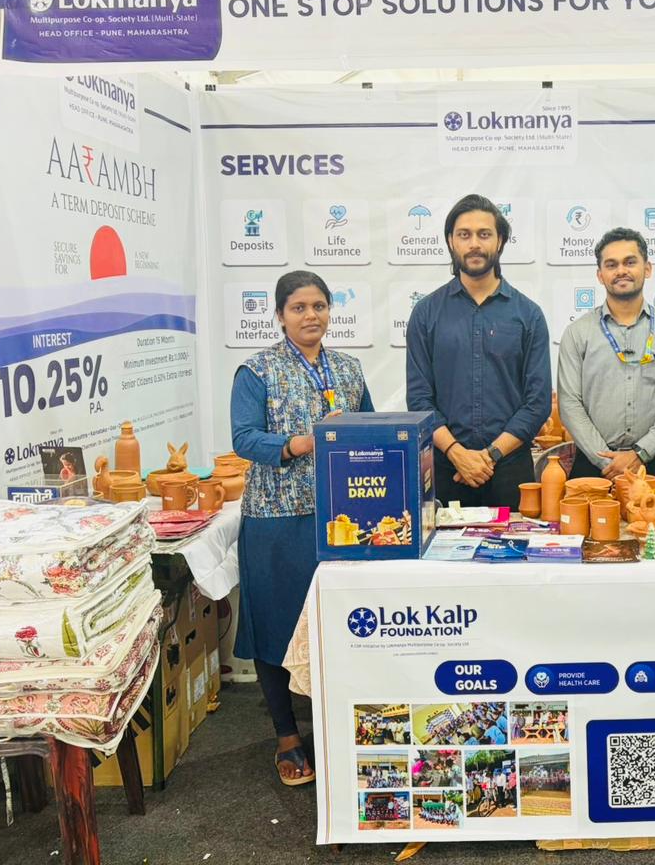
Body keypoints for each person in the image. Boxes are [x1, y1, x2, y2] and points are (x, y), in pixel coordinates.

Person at [231, 269, 373, 786]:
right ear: (279, 315)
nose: (310, 315)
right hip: (276, 519)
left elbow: (370, 429)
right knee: (278, 624)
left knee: (340, 624)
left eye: (319, 306)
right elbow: (244, 438)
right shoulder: (256, 370)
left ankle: (339, 727)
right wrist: (298, 444)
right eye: (298, 307)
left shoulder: (349, 368)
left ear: (330, 311)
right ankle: (287, 736)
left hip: (343, 519)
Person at [407, 194, 551, 506]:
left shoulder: (528, 315)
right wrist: (457, 453)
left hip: (511, 471)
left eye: (484, 234)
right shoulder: (426, 314)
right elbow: (419, 399)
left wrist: (490, 455)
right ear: (450, 241)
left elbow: (537, 403)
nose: (474, 244)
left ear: (500, 241)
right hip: (446, 470)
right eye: (464, 234)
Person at [557, 227, 655, 489]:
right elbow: (569, 403)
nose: (621, 270)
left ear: (647, 268)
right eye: (611, 265)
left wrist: (641, 452)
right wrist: (607, 462)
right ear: (600, 275)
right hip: (595, 464)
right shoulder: (578, 333)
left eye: (630, 262)